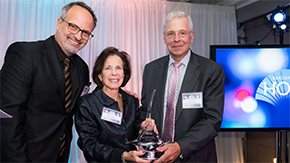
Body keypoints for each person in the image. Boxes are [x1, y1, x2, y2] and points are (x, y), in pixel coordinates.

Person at [0, 2, 97, 162]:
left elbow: (81, 109)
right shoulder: (26, 55)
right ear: (59, 23)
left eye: (85, 32)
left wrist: (116, 94)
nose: (78, 36)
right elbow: (6, 117)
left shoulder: (82, 69)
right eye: (73, 26)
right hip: (25, 156)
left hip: (61, 157)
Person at [141, 11, 225, 162]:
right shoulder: (150, 69)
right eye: (171, 34)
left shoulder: (211, 71)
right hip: (156, 156)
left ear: (191, 36)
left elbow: (212, 120)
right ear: (164, 38)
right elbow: (145, 109)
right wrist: (143, 125)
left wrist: (180, 146)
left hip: (195, 157)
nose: (177, 39)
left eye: (182, 33)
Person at [75, 47, 154, 163]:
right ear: (100, 75)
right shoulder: (87, 103)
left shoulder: (132, 101)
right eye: (108, 68)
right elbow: (89, 145)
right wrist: (123, 156)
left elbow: (133, 129)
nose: (114, 73)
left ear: (124, 73)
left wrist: (144, 127)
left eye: (118, 68)